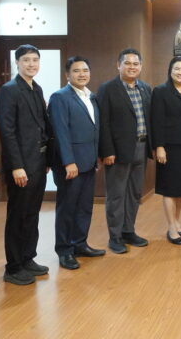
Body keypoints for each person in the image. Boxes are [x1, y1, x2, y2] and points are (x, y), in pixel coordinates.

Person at [0, 44, 53, 285]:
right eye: (26, 60)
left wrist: (47, 159)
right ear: (17, 63)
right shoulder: (9, 90)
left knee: (32, 213)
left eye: (35, 60)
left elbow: (43, 126)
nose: (31, 64)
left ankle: (28, 258)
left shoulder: (36, 88)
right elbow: (7, 131)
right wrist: (16, 166)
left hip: (38, 161)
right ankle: (13, 267)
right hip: (21, 164)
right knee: (18, 215)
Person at [48, 56, 105, 270]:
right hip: (70, 165)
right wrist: (68, 162)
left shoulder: (91, 96)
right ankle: (64, 251)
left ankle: (80, 244)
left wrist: (96, 156)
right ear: (67, 75)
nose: (82, 74)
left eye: (85, 70)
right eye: (76, 70)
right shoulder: (60, 97)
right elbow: (60, 132)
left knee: (84, 207)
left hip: (88, 161)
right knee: (67, 208)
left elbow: (95, 129)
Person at [97, 48, 152, 254]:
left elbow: (149, 118)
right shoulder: (107, 89)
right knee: (116, 195)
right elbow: (103, 122)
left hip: (141, 147)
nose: (132, 67)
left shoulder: (145, 88)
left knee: (134, 193)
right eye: (127, 63)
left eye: (135, 64)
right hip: (118, 151)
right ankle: (115, 236)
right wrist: (107, 151)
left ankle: (129, 231)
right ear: (118, 65)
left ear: (140, 66)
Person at [151, 56, 181, 245]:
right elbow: (156, 120)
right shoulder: (160, 91)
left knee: (180, 188)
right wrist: (159, 146)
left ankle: (177, 222)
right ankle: (171, 226)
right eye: (177, 69)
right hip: (169, 147)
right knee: (169, 188)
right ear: (170, 71)